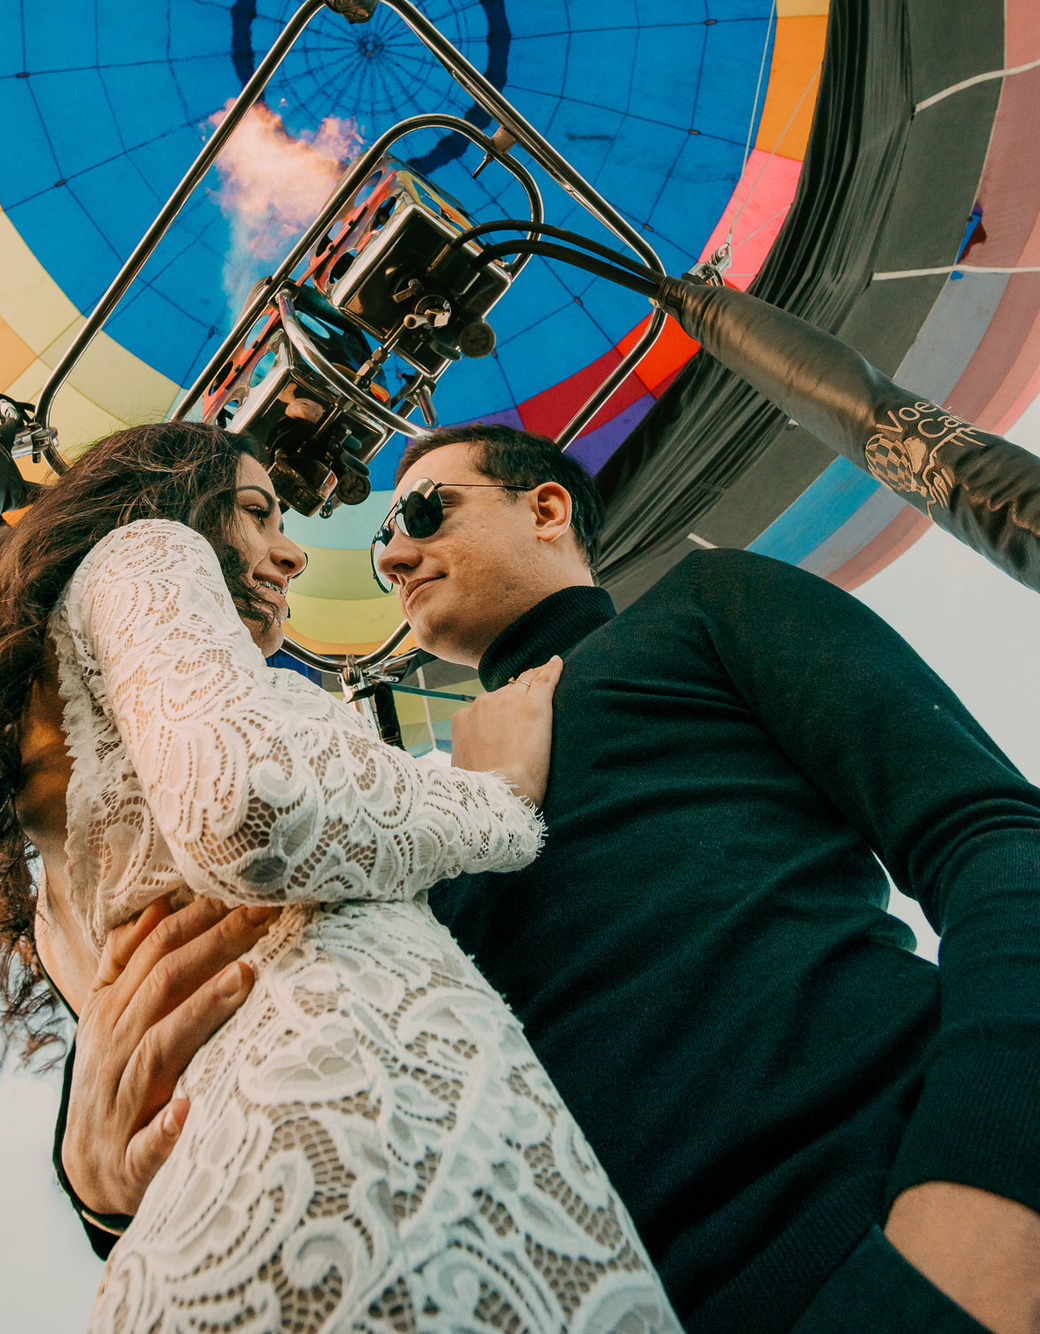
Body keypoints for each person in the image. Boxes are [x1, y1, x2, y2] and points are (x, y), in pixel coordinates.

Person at [57, 423, 1040, 1334]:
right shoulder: (426, 810)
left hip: (906, 1233)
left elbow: (991, 836)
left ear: (546, 508)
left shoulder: (708, 606)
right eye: (380, 543)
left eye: (422, 512)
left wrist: (990, 1202)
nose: (393, 555)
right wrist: (108, 1197)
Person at [0, 421, 681, 1334]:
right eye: (255, 512)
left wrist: (97, 1195)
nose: (290, 553)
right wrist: (501, 800)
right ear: (168, 499)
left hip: (246, 1210)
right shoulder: (150, 547)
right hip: (373, 1171)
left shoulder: (58, 851)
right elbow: (247, 806)